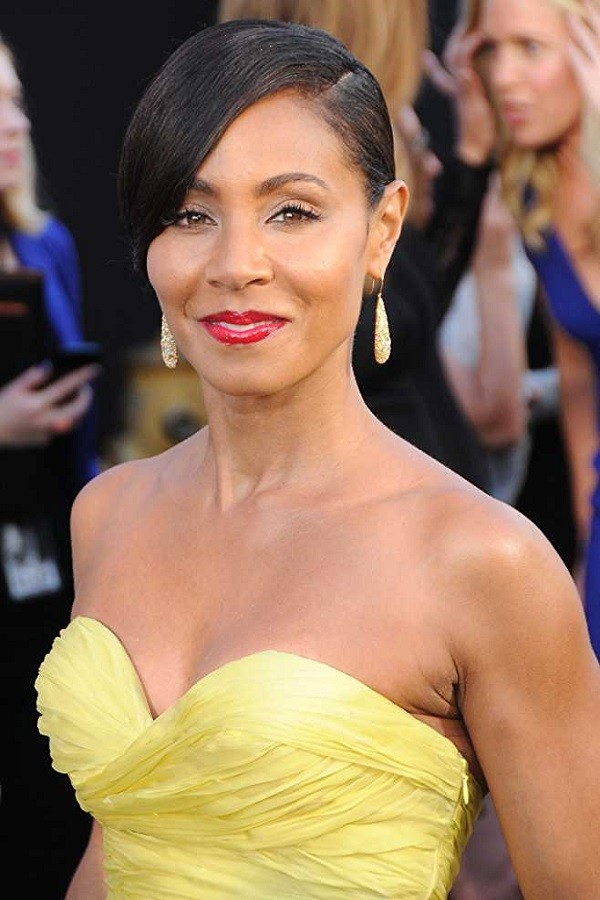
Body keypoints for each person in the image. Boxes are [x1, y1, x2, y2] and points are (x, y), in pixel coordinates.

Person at [34, 19, 600, 899]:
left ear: (382, 231)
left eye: (291, 212)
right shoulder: (107, 512)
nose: (236, 264)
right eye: (190, 213)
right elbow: (125, 841)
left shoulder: (484, 562)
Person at [218, 0, 495, 493]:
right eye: (192, 216)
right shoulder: (307, 159)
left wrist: (473, 161)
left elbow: (414, 301)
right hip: (370, 504)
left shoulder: (381, 146)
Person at [459, 0, 600, 658]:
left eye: (531, 48)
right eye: (491, 49)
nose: (503, 76)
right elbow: (579, 383)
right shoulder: (535, 196)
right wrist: (586, 535)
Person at [0, 32, 99, 897]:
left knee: (58, 792)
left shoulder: (46, 244)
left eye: (15, 100)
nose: (14, 123)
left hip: (52, 561)